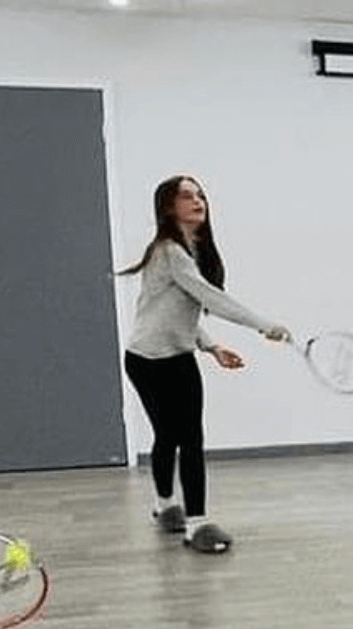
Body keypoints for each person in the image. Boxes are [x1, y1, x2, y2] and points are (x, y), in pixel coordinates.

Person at [119, 175, 287, 554]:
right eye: (187, 195)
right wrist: (264, 325)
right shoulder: (167, 251)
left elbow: (180, 313)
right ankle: (166, 507)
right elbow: (211, 298)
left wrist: (211, 347)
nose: (198, 201)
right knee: (169, 435)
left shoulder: (192, 251)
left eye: (201, 195)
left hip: (179, 356)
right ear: (168, 207)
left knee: (189, 438)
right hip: (146, 361)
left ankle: (195, 523)